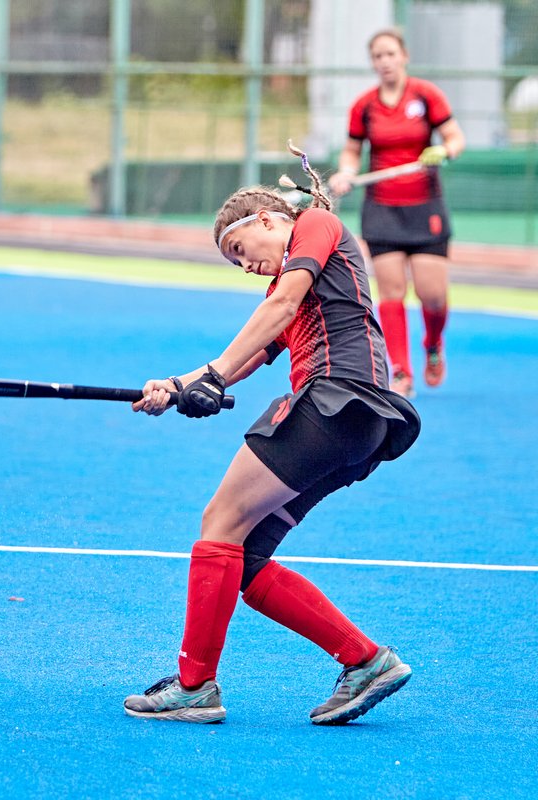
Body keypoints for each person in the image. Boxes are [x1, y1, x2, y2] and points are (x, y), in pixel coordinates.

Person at [122, 145, 421, 725]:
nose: (244, 265)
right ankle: (366, 661)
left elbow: (281, 307)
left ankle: (194, 686)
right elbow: (255, 350)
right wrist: (177, 385)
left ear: (266, 219)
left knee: (219, 521)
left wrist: (211, 376)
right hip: (355, 427)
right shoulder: (295, 282)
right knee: (246, 555)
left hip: (333, 405)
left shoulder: (316, 225)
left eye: (239, 249)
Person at [328, 28, 465, 398]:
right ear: (373, 63)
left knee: (432, 295)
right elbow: (352, 150)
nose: (385, 62)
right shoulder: (364, 106)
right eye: (378, 56)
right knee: (391, 292)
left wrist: (444, 151)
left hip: (425, 208)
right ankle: (401, 371)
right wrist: (346, 172)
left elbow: (455, 137)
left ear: (404, 56)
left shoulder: (426, 95)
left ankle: (433, 344)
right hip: (382, 210)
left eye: (390, 54)